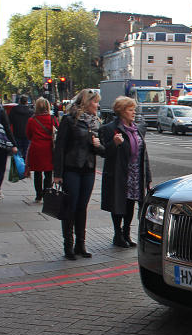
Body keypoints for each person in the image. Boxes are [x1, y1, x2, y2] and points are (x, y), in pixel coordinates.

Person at [53, 89, 105, 260]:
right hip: (71, 169)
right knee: (70, 207)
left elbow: (102, 151)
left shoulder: (94, 123)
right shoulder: (69, 120)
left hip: (88, 170)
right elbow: (59, 147)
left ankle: (80, 245)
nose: (98, 105)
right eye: (95, 102)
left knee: (82, 207)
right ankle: (68, 245)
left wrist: (97, 145)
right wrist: (57, 174)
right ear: (87, 102)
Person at [99, 96, 152, 248]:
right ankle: (118, 234)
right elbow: (104, 153)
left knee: (130, 203)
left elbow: (144, 154)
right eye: (130, 110)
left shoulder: (138, 129)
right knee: (118, 203)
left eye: (134, 109)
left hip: (135, 173)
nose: (133, 112)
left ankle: (126, 234)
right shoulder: (109, 129)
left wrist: (147, 176)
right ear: (121, 112)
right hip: (119, 173)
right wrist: (114, 144)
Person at [26, 97, 58, 202]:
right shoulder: (52, 119)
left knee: (37, 173)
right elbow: (58, 132)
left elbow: (28, 135)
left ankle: (38, 195)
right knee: (48, 173)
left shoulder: (32, 120)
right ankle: (46, 194)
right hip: (49, 149)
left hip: (36, 149)